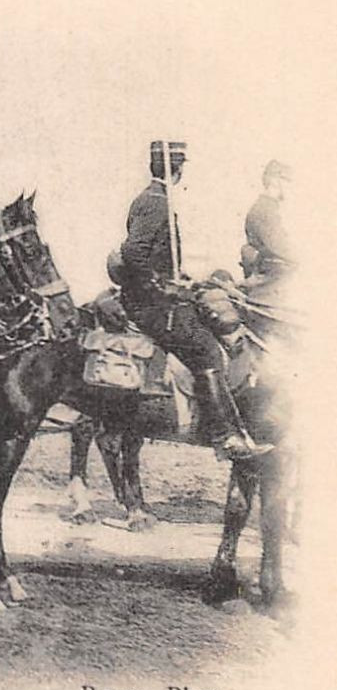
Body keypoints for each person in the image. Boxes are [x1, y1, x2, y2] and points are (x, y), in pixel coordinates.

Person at [118, 140, 271, 461]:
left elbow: (154, 257)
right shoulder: (157, 202)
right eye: (181, 166)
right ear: (177, 168)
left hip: (153, 300)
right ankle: (223, 435)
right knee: (207, 350)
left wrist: (182, 277)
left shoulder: (151, 198)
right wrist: (163, 287)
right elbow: (133, 254)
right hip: (152, 306)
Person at [242, 160, 295, 280]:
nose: (292, 187)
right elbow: (283, 249)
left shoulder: (269, 208)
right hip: (271, 280)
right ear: (275, 181)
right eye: (288, 181)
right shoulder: (265, 210)